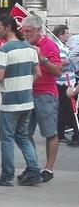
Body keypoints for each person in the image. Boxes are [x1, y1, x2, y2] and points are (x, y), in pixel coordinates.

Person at [0, 14, 42, 186]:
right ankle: (35, 171)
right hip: (27, 100)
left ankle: (7, 176)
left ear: (8, 27)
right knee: (22, 137)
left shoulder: (4, 50)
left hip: (10, 102)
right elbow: (38, 73)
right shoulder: (30, 48)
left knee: (6, 140)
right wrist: (26, 84)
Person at [22, 15, 62, 182]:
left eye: (29, 31)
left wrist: (42, 58)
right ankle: (32, 165)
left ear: (39, 31)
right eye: (24, 31)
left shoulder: (50, 45)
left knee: (50, 132)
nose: (25, 34)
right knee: (25, 132)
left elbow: (58, 71)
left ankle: (48, 168)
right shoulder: (24, 46)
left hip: (45, 94)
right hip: (28, 93)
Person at [53, 24, 78, 144]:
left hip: (69, 80)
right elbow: (59, 62)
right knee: (64, 108)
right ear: (60, 34)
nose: (68, 36)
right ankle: (60, 134)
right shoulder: (58, 46)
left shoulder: (63, 46)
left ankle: (69, 130)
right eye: (66, 33)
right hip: (64, 82)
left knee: (69, 109)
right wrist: (72, 60)